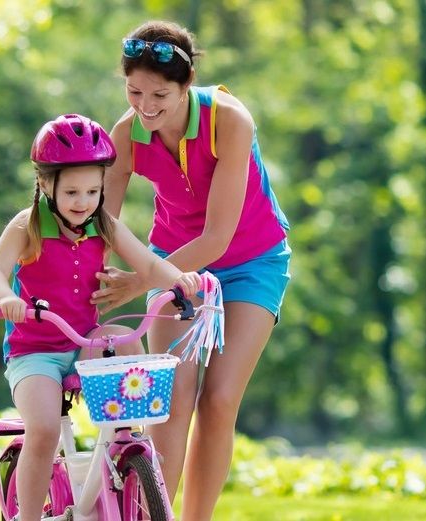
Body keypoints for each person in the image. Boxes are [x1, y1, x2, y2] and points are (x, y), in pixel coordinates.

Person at [90, 21, 291, 521]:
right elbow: (102, 225)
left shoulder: (230, 120)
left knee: (219, 400)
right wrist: (83, 288)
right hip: (172, 262)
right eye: (135, 91)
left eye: (160, 93)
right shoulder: (126, 134)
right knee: (170, 401)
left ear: (188, 83)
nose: (146, 105)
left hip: (250, 262)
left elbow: (218, 237)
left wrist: (142, 279)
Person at [0, 113, 201, 521]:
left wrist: (181, 279)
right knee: (44, 430)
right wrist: (7, 298)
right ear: (46, 185)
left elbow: (149, 265)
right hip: (35, 352)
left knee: (125, 340)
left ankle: (123, 448)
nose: (83, 202)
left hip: (85, 339)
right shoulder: (26, 225)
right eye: (72, 192)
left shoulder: (105, 225)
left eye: (93, 191)